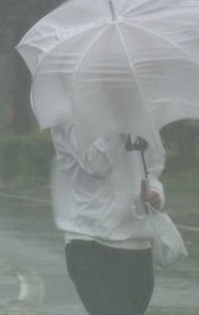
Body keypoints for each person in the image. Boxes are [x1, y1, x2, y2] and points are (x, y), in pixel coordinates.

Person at [50, 123, 165, 315]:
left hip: (137, 243)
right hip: (91, 242)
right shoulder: (70, 111)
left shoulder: (140, 111)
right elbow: (97, 164)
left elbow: (152, 168)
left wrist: (154, 194)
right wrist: (120, 119)